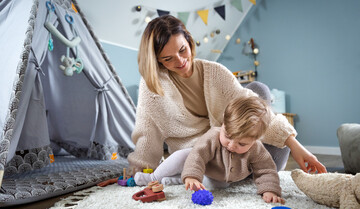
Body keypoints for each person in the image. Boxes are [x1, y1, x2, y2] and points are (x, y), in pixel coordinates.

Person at [127, 14, 327, 176]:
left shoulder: (215, 72)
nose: (180, 61)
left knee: (259, 93)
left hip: (233, 147)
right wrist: (140, 170)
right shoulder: (152, 86)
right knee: (257, 101)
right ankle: (248, 175)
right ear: (158, 61)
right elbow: (148, 132)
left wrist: (295, 146)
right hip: (197, 157)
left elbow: (255, 112)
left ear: (189, 41)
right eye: (168, 59)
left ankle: (260, 173)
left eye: (182, 50)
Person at [135, 96, 285, 204]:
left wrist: (270, 190)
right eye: (227, 136)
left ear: (255, 140)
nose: (231, 145)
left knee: (220, 185)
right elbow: (197, 155)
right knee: (182, 156)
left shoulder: (256, 148)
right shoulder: (213, 136)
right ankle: (154, 177)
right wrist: (193, 175)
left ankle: (179, 180)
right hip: (203, 164)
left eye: (242, 144)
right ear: (223, 123)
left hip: (220, 178)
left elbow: (266, 169)